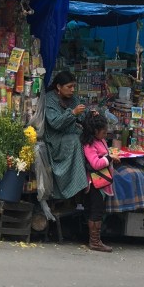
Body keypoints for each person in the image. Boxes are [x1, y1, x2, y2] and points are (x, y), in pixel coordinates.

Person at [43, 70, 88, 201]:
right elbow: (55, 123)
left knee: (86, 140)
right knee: (75, 140)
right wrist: (73, 113)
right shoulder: (50, 99)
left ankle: (84, 186)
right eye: (69, 87)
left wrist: (89, 114)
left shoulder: (73, 99)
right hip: (55, 139)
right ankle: (75, 190)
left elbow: (82, 117)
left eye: (74, 86)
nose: (72, 90)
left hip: (71, 133)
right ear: (58, 86)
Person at [81, 111, 120, 253]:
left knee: (96, 210)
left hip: (101, 181)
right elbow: (96, 163)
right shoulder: (89, 144)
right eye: (103, 132)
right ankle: (95, 242)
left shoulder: (100, 140)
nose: (105, 134)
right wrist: (109, 158)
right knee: (96, 211)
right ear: (95, 131)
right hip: (95, 183)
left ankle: (94, 240)